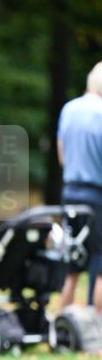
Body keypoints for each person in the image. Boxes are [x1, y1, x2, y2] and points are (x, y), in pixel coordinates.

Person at [57, 61, 102, 314]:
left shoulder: (69, 109)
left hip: (70, 192)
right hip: (97, 196)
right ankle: (96, 325)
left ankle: (62, 322)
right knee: (100, 262)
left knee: (72, 262)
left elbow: (62, 156)